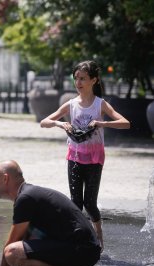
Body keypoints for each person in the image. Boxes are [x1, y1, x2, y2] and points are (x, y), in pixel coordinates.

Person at [40, 60, 130, 250]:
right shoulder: (71, 104)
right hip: (74, 156)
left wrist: (102, 124)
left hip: (95, 158)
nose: (78, 82)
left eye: (83, 78)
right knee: (76, 203)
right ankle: (78, 238)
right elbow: (44, 122)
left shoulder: (100, 104)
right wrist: (60, 124)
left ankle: (99, 238)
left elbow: (125, 123)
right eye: (76, 78)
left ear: (94, 80)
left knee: (90, 203)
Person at [0, 160, 101, 266]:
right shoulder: (29, 195)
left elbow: (11, 248)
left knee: (11, 252)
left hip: (83, 251)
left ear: (5, 178)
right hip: (86, 250)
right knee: (22, 248)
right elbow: (23, 245)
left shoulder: (25, 198)